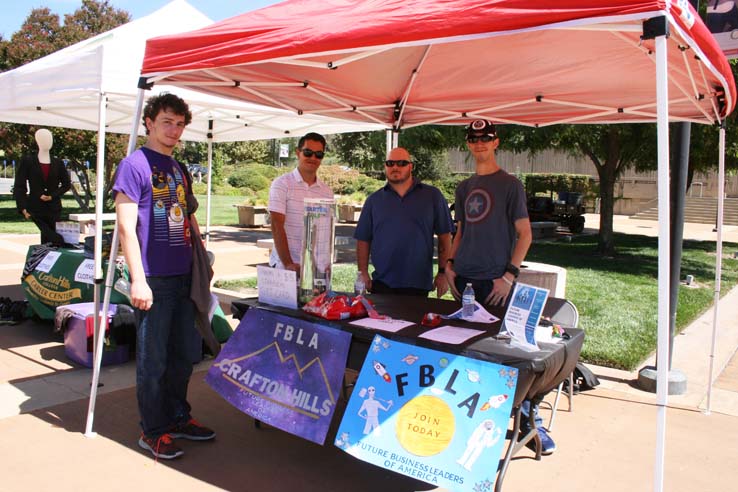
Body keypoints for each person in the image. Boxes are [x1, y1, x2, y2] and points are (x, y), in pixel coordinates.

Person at [113, 93, 215, 460]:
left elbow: (188, 218)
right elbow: (126, 228)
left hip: (183, 277)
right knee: (153, 359)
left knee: (184, 356)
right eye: (167, 121)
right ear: (150, 123)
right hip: (153, 279)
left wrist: (201, 263)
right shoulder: (133, 165)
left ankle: (176, 417)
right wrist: (138, 280)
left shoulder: (180, 169)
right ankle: (152, 430)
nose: (173, 130)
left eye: (180, 124)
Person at [444, 120, 554, 454]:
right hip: (463, 281)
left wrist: (509, 276)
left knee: (505, 356)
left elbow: (525, 234)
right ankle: (468, 421)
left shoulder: (511, 185)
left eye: (485, 138)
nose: (479, 143)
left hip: (495, 283)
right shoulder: (464, 188)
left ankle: (528, 422)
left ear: (496, 142)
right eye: (473, 139)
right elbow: (460, 232)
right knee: (465, 354)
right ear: (468, 144)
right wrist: (449, 265)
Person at [354, 147, 452, 296]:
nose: (395, 167)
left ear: (411, 166)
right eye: (390, 163)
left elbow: (445, 237)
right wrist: (363, 273)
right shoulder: (374, 201)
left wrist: (443, 273)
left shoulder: (432, 196)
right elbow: (363, 240)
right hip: (382, 284)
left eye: (401, 163)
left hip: (418, 285)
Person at [268, 132, 333, 271]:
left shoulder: (327, 192)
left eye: (318, 154)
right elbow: (276, 224)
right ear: (298, 153)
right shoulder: (282, 184)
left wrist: (326, 263)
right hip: (288, 268)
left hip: (317, 271)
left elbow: (326, 230)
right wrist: (288, 264)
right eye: (308, 152)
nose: (313, 158)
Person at [14, 129, 71, 245]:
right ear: (37, 141)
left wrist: (52, 196)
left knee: (52, 239)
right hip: (35, 208)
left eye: (50, 138)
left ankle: (53, 255)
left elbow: (66, 184)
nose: (48, 141)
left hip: (53, 208)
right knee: (52, 238)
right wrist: (22, 207)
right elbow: (20, 185)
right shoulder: (28, 161)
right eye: (44, 138)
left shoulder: (58, 163)